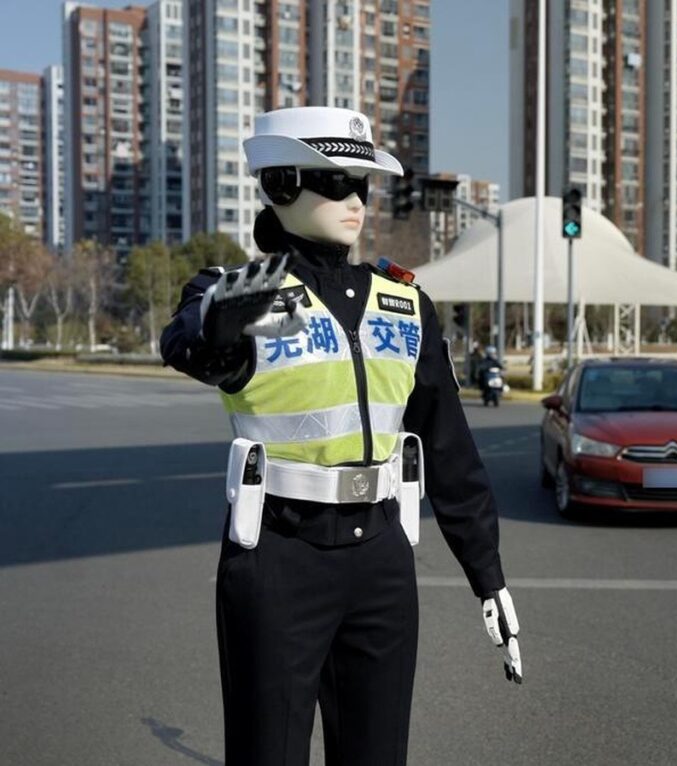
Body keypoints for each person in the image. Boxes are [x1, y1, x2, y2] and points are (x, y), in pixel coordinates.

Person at [160, 107, 521, 766]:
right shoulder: (239, 297)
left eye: (363, 184)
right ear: (282, 184)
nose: (355, 200)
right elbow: (189, 343)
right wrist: (217, 324)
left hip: (381, 559)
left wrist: (487, 573)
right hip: (278, 556)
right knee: (269, 751)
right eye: (335, 182)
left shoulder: (404, 303)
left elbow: (449, 449)